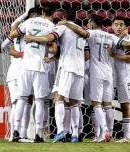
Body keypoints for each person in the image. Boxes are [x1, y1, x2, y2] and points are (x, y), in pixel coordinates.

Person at [58, 14, 130, 142]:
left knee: (97, 104)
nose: (87, 26)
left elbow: (81, 32)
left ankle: (104, 132)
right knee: (108, 105)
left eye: (89, 23)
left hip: (97, 73)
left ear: (93, 24)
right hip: (109, 73)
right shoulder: (110, 36)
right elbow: (126, 44)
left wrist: (66, 23)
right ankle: (110, 134)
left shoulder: (93, 33)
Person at [25, 8, 87, 143]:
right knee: (74, 102)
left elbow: (49, 38)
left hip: (66, 66)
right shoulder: (80, 30)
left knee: (58, 97)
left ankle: (60, 132)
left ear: (63, 17)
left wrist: (31, 38)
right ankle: (75, 134)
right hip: (79, 68)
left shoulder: (62, 27)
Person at [9, 5, 56, 142]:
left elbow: (12, 35)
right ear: (52, 13)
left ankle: (16, 132)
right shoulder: (51, 26)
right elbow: (54, 48)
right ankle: (38, 134)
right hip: (40, 66)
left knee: (22, 98)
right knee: (40, 100)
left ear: (41, 12)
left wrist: (21, 30)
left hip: (25, 66)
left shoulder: (28, 22)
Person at [1, 7, 42, 142]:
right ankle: (14, 133)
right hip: (16, 71)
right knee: (18, 102)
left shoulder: (28, 31)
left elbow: (6, 44)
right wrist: (19, 54)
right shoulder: (23, 30)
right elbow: (4, 45)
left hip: (26, 70)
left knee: (27, 101)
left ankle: (22, 133)